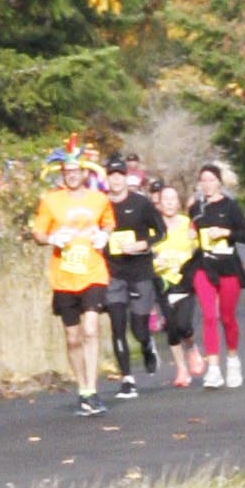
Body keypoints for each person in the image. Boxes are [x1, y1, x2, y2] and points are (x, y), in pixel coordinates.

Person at [29, 158, 116, 418]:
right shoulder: (51, 201)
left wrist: (105, 235)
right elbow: (38, 233)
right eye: (67, 172)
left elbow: (109, 222)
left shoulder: (98, 199)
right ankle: (82, 389)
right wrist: (52, 238)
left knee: (91, 329)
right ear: (63, 175)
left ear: (84, 173)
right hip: (64, 276)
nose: (72, 176)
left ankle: (92, 388)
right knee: (73, 336)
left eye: (76, 171)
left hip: (93, 272)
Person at [104, 153, 163, 399]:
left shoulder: (141, 203)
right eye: (112, 175)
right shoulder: (101, 206)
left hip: (139, 271)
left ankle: (148, 344)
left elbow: (161, 232)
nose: (116, 180)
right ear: (107, 178)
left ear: (126, 177)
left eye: (120, 175)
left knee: (138, 328)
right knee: (117, 326)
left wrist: (143, 245)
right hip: (113, 272)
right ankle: (127, 379)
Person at [189, 161, 245, 387]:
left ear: (219, 183)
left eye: (211, 180)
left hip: (228, 265)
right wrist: (190, 235)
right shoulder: (196, 208)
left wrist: (226, 232)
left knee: (227, 317)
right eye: (203, 180)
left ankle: (233, 360)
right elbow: (191, 229)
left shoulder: (230, 206)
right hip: (204, 265)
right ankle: (213, 368)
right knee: (208, 315)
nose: (207, 184)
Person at [151, 182, 203, 387]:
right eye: (166, 200)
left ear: (178, 202)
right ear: (159, 204)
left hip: (184, 279)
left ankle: (191, 347)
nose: (170, 203)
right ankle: (181, 370)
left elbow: (199, 250)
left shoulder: (187, 223)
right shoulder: (154, 225)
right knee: (171, 328)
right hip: (163, 281)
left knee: (183, 325)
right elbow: (147, 251)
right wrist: (156, 262)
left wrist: (195, 240)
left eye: (173, 199)